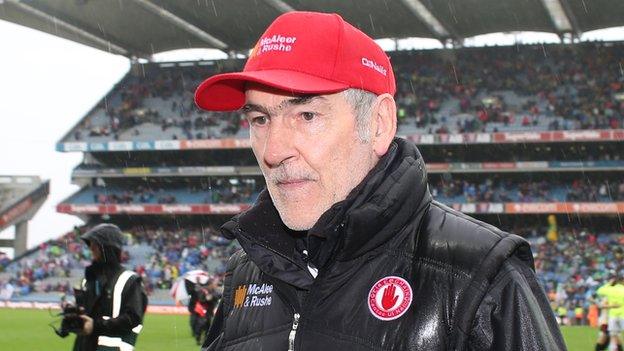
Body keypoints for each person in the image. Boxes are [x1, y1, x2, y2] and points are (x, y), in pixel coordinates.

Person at [194, 11, 566, 350]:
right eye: (259, 120)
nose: (273, 151)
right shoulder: (246, 270)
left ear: (378, 124)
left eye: (307, 115)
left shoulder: (482, 277)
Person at [71, 223, 148, 351]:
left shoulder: (129, 281)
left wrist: (95, 325)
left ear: (107, 249)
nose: (91, 249)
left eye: (95, 245)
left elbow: (133, 318)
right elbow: (89, 315)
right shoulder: (89, 279)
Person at [597, 276, 624, 351]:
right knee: (615, 335)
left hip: (612, 316)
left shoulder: (610, 289)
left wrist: (608, 284)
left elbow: (599, 291)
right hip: (622, 315)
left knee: (613, 334)